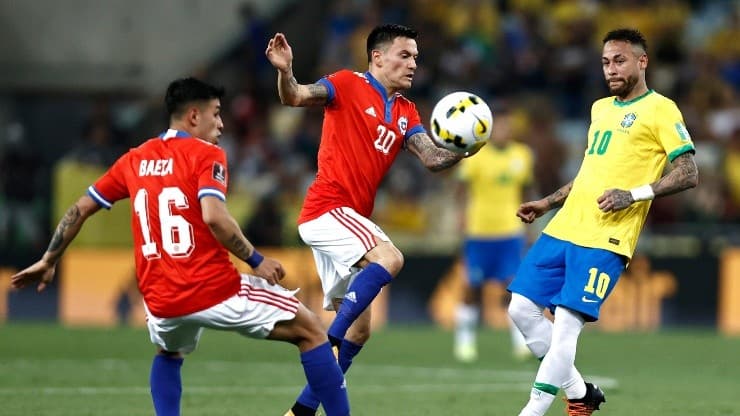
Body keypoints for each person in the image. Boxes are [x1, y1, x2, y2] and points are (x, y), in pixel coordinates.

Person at [10, 77, 350, 416]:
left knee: (169, 354)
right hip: (214, 288)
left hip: (161, 299)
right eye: (216, 113)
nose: (221, 123)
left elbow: (81, 208)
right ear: (193, 116)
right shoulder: (207, 155)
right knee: (311, 331)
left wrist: (49, 259)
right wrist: (256, 259)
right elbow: (214, 217)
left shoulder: (135, 159)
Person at [265, 24, 483, 416]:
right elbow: (295, 96)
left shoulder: (405, 111)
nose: (413, 64)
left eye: (416, 57)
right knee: (391, 258)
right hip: (327, 208)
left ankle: (301, 411)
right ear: (377, 57)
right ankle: (328, 343)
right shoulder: (346, 84)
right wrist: (285, 71)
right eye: (405, 55)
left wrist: (465, 147)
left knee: (361, 330)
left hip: (349, 220)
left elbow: (432, 158)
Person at [507, 28, 698, 416]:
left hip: (607, 236)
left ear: (642, 61)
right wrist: (548, 202)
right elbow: (589, 173)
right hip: (564, 227)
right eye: (606, 62)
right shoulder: (600, 109)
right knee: (520, 309)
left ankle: (533, 411)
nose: (611, 69)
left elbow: (688, 172)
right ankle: (580, 393)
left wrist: (633, 194)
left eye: (620, 61)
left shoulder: (661, 109)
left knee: (566, 323)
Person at [453, 104, 534, 363]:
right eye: (498, 126)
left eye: (506, 126)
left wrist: (529, 226)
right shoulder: (475, 155)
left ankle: (520, 342)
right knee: (471, 287)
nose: (502, 130)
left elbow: (526, 191)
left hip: (510, 231)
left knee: (513, 288)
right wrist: (461, 218)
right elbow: (461, 189)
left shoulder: (522, 155)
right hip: (479, 232)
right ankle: (464, 342)